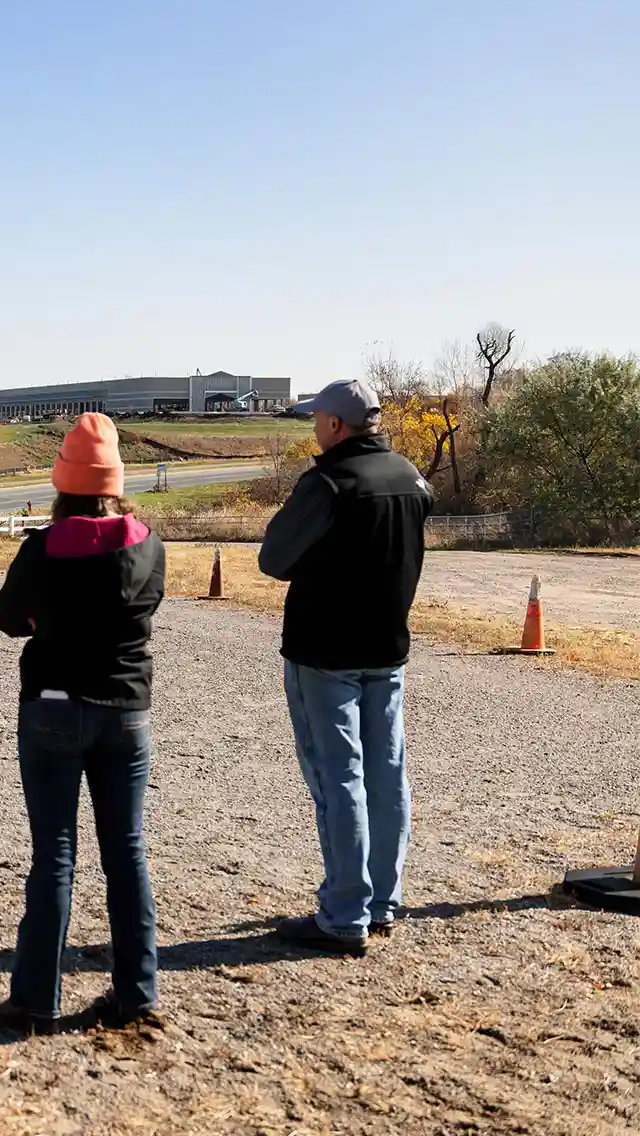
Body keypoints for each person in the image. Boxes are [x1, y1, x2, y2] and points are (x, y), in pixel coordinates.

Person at [0, 414, 165, 1035]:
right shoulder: (147, 543)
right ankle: (137, 994)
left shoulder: (42, 547)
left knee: (54, 856)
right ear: (115, 482)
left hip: (54, 707)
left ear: (63, 482)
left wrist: (51, 623)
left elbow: (9, 616)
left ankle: (36, 1000)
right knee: (128, 853)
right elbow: (143, 611)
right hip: (126, 710)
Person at [259, 380, 432, 955]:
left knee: (339, 780)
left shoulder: (329, 482)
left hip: (324, 651)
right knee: (387, 773)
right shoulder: (410, 476)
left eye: (316, 419)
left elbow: (274, 557)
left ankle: (343, 914)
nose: (313, 426)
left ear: (335, 424)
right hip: (387, 647)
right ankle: (383, 900)